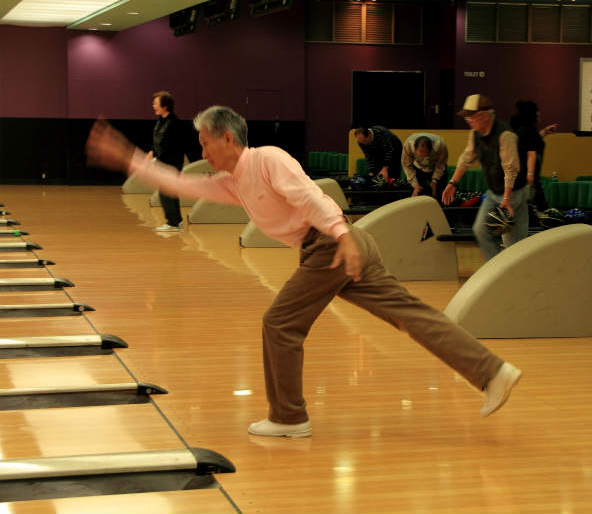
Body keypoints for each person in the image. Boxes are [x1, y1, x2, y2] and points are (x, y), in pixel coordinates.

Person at [86, 105, 521, 438]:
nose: (202, 153)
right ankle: (491, 372)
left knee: (280, 323)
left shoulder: (267, 159)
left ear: (226, 138)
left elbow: (309, 196)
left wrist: (341, 234)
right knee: (410, 314)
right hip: (340, 244)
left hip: (331, 244)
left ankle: (289, 417)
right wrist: (130, 158)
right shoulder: (234, 180)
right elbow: (181, 184)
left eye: (205, 144)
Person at [442, 94, 529, 261]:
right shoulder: (475, 134)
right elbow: (466, 158)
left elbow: (511, 169)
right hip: (494, 192)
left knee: (512, 244)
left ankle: (512, 271)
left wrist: (506, 199)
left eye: (471, 117)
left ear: (484, 116)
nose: (468, 121)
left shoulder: (505, 135)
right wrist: (453, 183)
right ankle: (496, 267)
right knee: (480, 230)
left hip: (513, 193)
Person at [510, 100, 557, 212]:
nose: (539, 113)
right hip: (529, 178)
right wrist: (530, 176)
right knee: (538, 208)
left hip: (522, 177)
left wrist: (544, 132)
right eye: (537, 111)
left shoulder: (522, 130)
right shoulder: (529, 131)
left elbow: (530, 143)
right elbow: (531, 153)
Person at [151, 91, 185, 232]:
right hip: (163, 162)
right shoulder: (161, 121)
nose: (153, 106)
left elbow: (171, 147)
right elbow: (158, 141)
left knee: (167, 193)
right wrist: (152, 152)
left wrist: (157, 160)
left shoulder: (173, 123)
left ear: (165, 106)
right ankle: (176, 221)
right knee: (167, 193)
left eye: (156, 103)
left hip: (171, 164)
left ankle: (173, 223)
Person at [401, 133, 448, 198]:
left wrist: (434, 181)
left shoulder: (440, 146)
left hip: (435, 167)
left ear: (430, 149)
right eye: (420, 152)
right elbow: (407, 165)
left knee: (439, 194)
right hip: (417, 167)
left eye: (425, 152)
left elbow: (440, 165)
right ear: (414, 148)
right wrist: (415, 185)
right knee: (414, 193)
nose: (422, 155)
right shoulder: (408, 145)